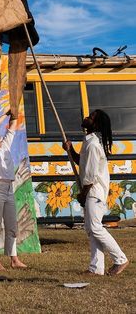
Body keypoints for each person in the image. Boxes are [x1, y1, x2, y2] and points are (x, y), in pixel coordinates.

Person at [63, 110, 129, 276]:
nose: (86, 117)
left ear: (96, 124)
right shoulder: (89, 142)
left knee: (95, 227)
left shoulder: (93, 144)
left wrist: (83, 195)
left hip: (94, 192)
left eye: (90, 117)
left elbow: (90, 176)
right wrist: (70, 150)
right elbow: (82, 163)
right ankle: (96, 268)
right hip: (91, 192)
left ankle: (120, 259)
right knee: (91, 229)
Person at [0, 112, 27, 271]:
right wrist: (5, 114)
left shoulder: (5, 146)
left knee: (11, 225)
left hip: (9, 188)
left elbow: (12, 128)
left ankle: (14, 258)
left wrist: (13, 111)